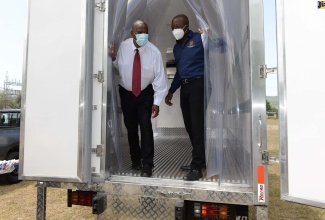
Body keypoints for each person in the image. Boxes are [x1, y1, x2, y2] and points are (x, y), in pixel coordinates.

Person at [111, 20, 167, 177]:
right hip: (127, 93)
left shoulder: (154, 52)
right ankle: (135, 160)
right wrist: (114, 59)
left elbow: (159, 79)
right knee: (131, 128)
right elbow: (119, 67)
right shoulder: (123, 47)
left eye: (145, 32)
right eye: (139, 32)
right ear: (132, 33)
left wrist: (156, 102)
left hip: (144, 94)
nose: (143, 35)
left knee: (146, 127)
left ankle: (147, 164)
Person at [165, 14, 205, 181]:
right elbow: (180, 73)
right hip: (185, 87)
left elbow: (221, 45)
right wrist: (171, 91)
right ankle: (200, 160)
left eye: (177, 27)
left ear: (186, 27)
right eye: (172, 27)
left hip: (198, 85)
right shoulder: (176, 48)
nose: (174, 30)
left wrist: (210, 36)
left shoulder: (198, 38)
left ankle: (197, 168)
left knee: (197, 127)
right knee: (189, 126)